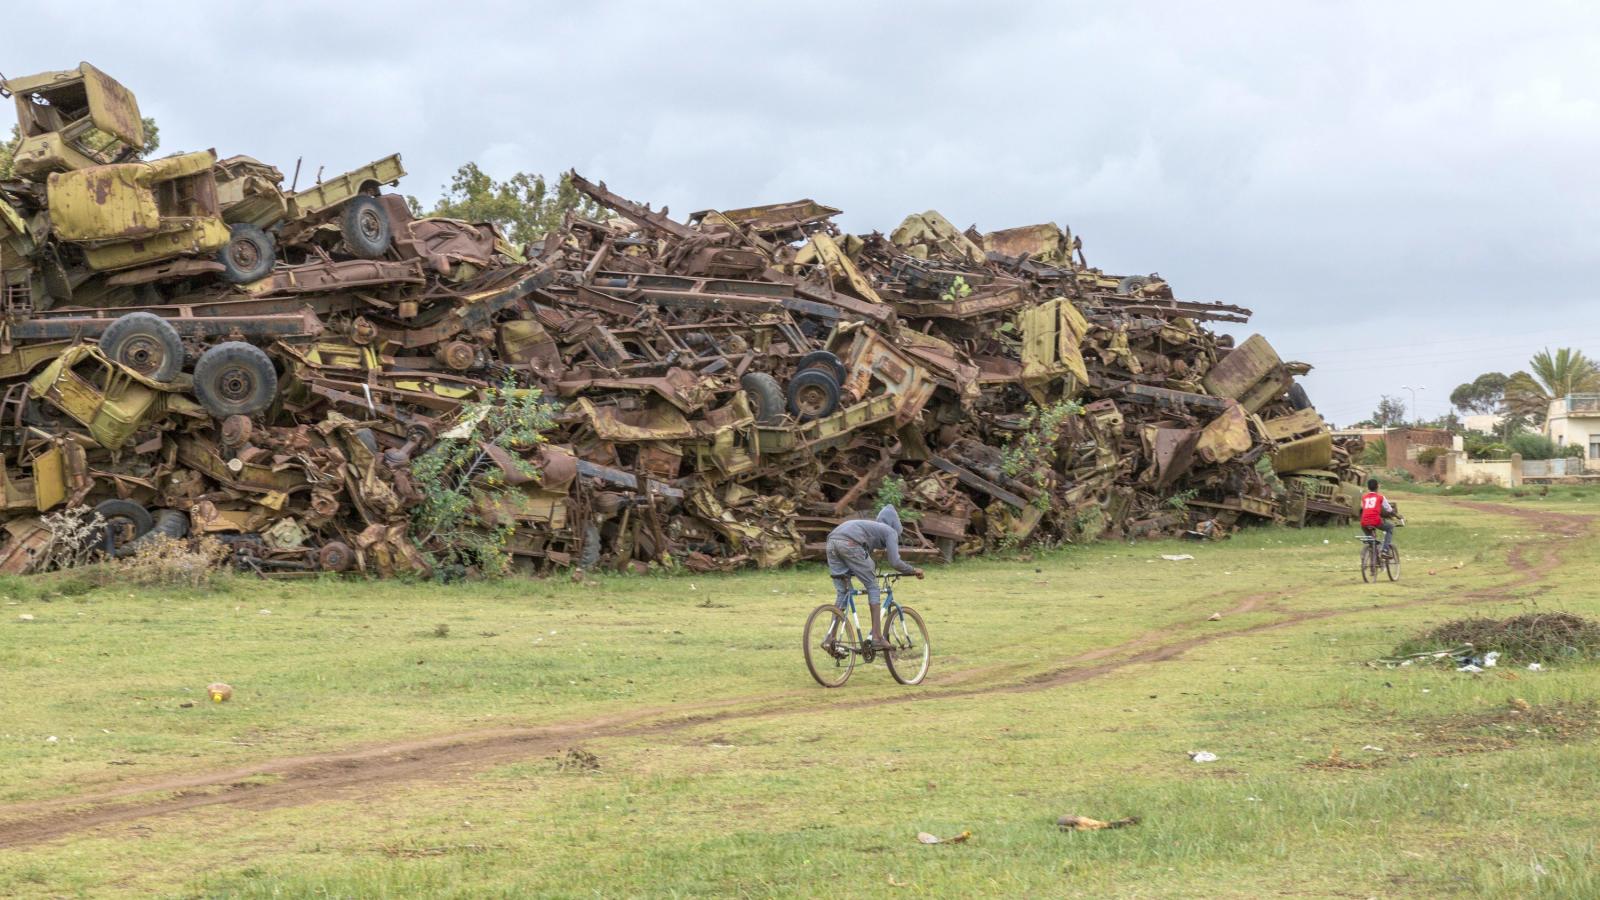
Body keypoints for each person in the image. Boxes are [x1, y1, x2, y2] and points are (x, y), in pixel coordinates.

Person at [825, 505, 924, 649]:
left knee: (843, 592)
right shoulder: (891, 532)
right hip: (849, 543)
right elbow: (895, 562)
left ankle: (830, 638)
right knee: (873, 587)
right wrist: (913, 570)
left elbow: (859, 559)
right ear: (895, 525)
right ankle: (877, 636)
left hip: (831, 542)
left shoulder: (871, 527)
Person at [1360, 477, 1399, 557]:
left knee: (1371, 539)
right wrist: (1397, 516)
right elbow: (1389, 510)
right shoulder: (1380, 497)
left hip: (1364, 522)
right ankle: (1385, 550)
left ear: (1368, 488)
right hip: (1375, 520)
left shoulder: (1364, 498)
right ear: (1377, 486)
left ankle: (1373, 552)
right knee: (1390, 527)